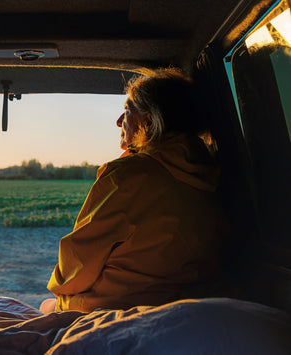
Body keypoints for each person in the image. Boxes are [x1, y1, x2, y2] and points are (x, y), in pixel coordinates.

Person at [40, 68, 228, 313]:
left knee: (46, 305)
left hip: (110, 307)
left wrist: (60, 292)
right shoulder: (212, 175)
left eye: (128, 110)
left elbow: (79, 263)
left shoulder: (128, 176)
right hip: (182, 305)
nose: (119, 121)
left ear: (149, 121)